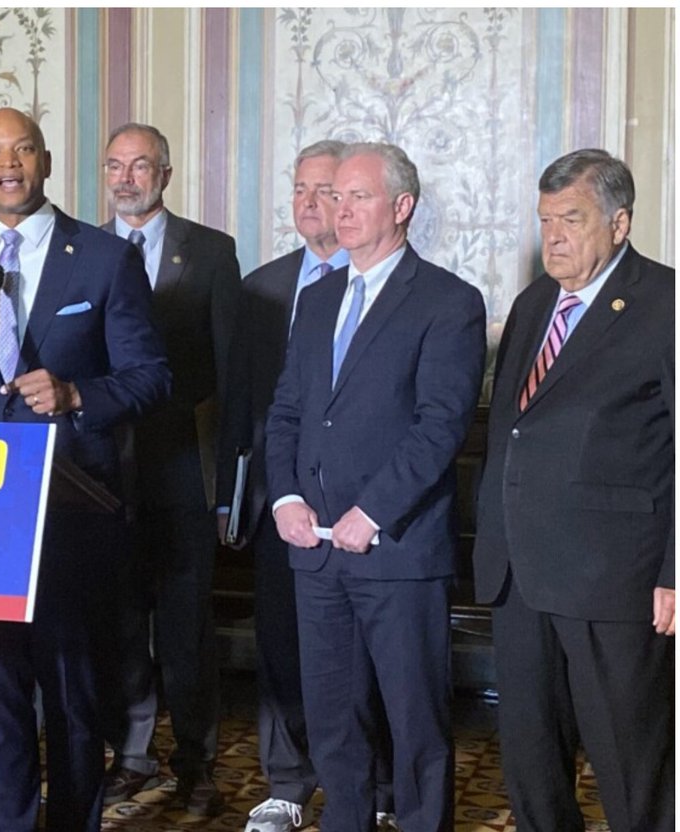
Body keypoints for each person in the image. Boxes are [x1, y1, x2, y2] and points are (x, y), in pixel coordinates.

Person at [0, 107, 170, 832]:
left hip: (73, 509)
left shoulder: (105, 260)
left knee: (74, 692)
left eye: (22, 151)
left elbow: (151, 376)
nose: (8, 164)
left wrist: (80, 393)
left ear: (45, 162)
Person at [266, 142, 486, 832]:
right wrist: (284, 498)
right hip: (316, 549)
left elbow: (439, 427)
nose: (341, 209)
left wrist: (373, 511)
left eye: (358, 196)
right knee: (333, 712)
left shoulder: (449, 301)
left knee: (414, 716)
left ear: (402, 207)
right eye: (335, 196)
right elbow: (289, 412)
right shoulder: (320, 293)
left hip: (397, 550)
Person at [472, 148, 674, 832]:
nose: (552, 235)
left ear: (620, 224)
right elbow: (516, 431)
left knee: (629, 768)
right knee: (531, 762)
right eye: (544, 219)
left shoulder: (665, 305)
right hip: (519, 575)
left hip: (614, 578)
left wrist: (677, 570)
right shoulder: (534, 304)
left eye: (571, 218)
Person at [218, 141, 398, 832]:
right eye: (299, 189)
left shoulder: (386, 283)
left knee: (366, 653)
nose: (310, 203)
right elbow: (243, 402)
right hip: (279, 498)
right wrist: (235, 496)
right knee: (283, 646)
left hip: (361, 503)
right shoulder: (263, 285)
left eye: (326, 190)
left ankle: (375, 785)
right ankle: (288, 781)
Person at [95, 122, 239, 816]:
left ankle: (196, 765)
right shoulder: (83, 252)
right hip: (100, 475)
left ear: (166, 173)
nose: (126, 179)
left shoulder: (211, 253)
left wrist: (225, 491)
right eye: (115, 166)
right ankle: (130, 754)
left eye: (140, 166)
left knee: (186, 632)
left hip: (182, 470)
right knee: (119, 625)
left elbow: (230, 377)